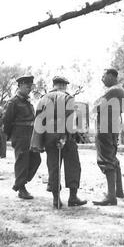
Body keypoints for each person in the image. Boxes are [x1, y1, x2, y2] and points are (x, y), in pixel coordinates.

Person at [31, 76, 87, 209]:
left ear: (54, 85)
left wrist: (39, 141)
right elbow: (70, 118)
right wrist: (64, 136)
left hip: (49, 136)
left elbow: (39, 120)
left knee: (53, 166)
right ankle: (73, 197)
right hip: (66, 135)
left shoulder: (43, 99)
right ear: (63, 85)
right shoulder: (68, 97)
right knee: (73, 165)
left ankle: (56, 200)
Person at [3, 75, 41, 200]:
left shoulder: (27, 102)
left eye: (30, 87)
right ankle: (21, 188)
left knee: (36, 159)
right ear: (19, 86)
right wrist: (11, 136)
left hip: (30, 133)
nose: (29, 89)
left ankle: (20, 182)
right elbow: (7, 121)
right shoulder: (13, 102)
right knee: (22, 161)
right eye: (27, 86)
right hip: (19, 134)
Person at [92, 69, 124, 206]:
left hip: (105, 128)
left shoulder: (112, 90)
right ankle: (118, 192)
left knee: (106, 159)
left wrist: (97, 103)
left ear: (112, 76)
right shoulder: (120, 90)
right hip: (113, 128)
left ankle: (111, 197)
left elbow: (96, 107)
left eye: (104, 75)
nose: (102, 79)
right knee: (113, 158)